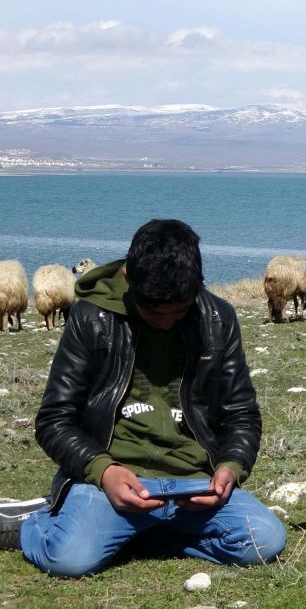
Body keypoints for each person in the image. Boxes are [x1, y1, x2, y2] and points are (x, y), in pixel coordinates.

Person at [0, 219, 286, 576]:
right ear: (129, 278)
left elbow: (241, 413)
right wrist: (102, 471)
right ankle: (32, 524)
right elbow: (54, 419)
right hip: (112, 483)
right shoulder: (91, 317)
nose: (165, 323)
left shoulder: (218, 318)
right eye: (153, 313)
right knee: (70, 559)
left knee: (265, 541)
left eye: (178, 312)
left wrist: (230, 467)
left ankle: (136, 537)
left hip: (193, 486)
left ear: (196, 286)